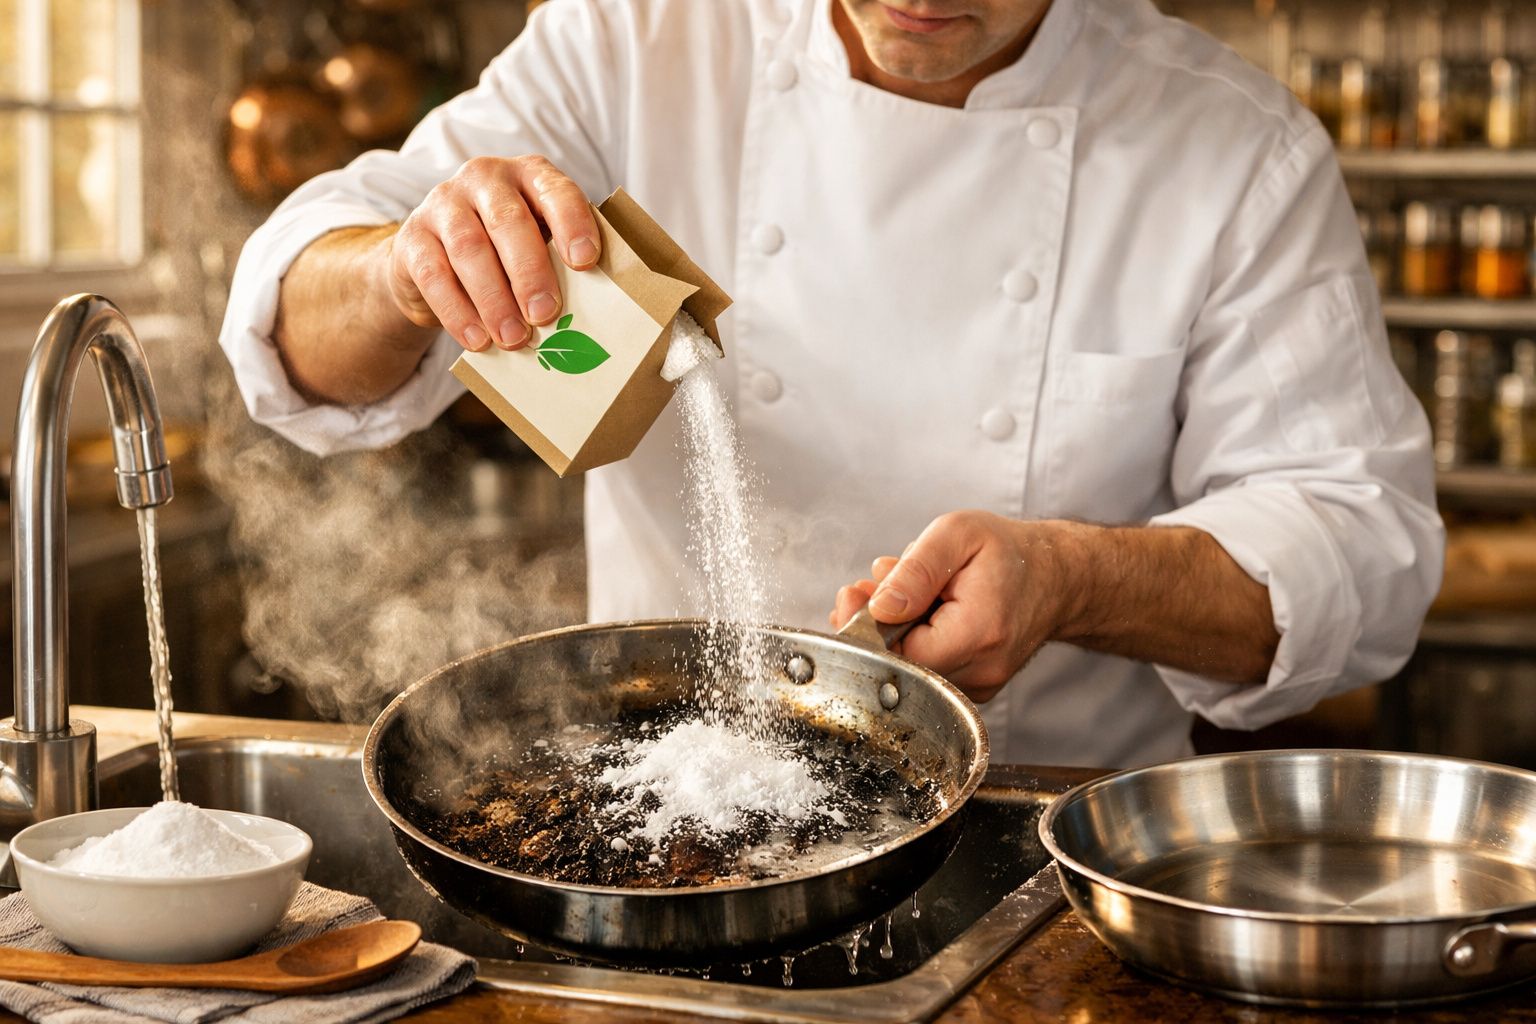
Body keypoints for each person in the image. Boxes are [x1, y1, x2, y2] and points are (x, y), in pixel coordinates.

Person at [220, 0, 1443, 767]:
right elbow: (293, 325)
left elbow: (1359, 547)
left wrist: (1075, 578)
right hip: (663, 805)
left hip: (1039, 856)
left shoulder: (1231, 146)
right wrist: (403, 270)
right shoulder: (629, 42)